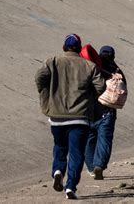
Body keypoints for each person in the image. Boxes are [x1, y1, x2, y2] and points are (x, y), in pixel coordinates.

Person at [35, 34, 105, 199]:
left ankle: (58, 171)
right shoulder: (89, 66)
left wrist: (47, 93)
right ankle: (70, 186)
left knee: (59, 147)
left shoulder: (52, 61)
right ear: (80, 49)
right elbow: (100, 86)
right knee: (76, 153)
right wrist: (89, 97)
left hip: (57, 117)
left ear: (64, 47)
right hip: (80, 117)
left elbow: (39, 78)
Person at [84, 45, 126, 180]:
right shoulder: (117, 71)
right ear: (113, 56)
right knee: (104, 140)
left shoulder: (92, 68)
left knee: (88, 140)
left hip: (90, 111)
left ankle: (91, 167)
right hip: (108, 112)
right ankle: (99, 166)